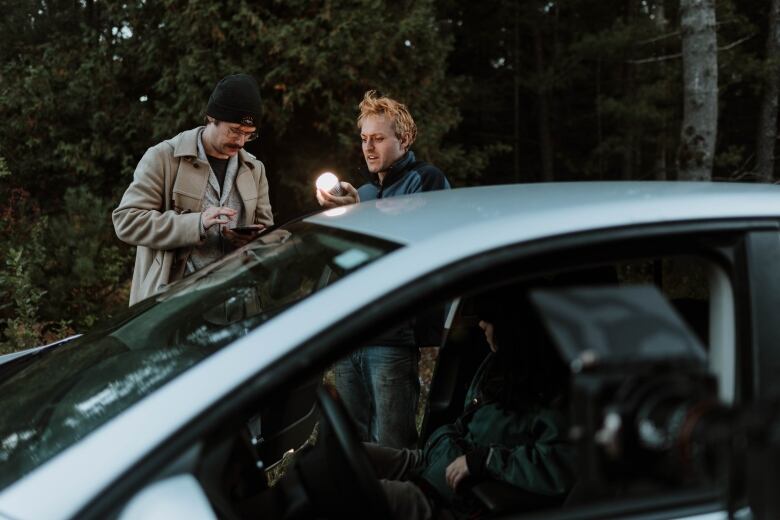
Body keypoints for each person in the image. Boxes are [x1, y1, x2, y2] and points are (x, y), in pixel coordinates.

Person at [363, 295, 577, 519]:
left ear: (511, 325)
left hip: (456, 497)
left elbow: (562, 464)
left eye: (489, 319)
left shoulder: (553, 392)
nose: (481, 324)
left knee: (351, 495)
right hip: (435, 461)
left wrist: (486, 461)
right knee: (352, 456)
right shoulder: (502, 363)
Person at [318, 91, 451, 448]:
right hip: (353, 334)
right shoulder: (361, 191)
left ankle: (400, 504)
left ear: (404, 139)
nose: (368, 148)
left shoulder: (427, 179)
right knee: (350, 444)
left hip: (395, 336)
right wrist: (338, 218)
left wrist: (361, 210)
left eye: (378, 138)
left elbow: (424, 241)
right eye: (364, 139)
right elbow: (348, 258)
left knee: (393, 446)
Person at [113, 73, 273, 305]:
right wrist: (196, 224)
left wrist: (249, 239)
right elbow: (126, 221)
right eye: (234, 130)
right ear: (211, 118)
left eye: (248, 135)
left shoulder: (255, 169)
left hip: (236, 304)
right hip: (173, 306)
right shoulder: (163, 157)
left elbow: (267, 236)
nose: (240, 142)